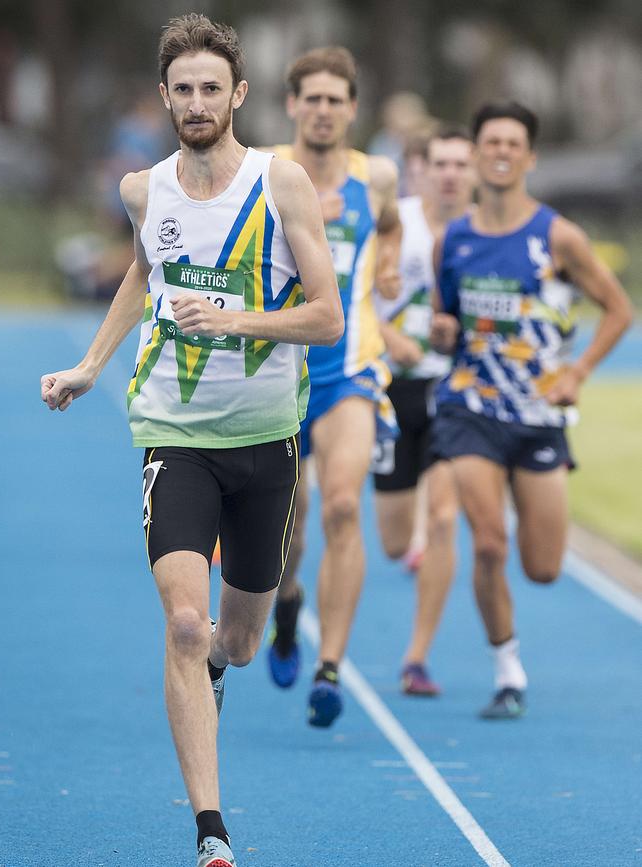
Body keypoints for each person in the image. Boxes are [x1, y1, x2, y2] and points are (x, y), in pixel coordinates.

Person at [41, 15, 343, 867]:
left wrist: (237, 317)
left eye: (213, 88)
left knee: (234, 640)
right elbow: (145, 269)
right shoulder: (145, 189)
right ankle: (211, 831)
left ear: (238, 94)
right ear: (165, 97)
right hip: (173, 430)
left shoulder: (281, 186)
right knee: (182, 621)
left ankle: (224, 657)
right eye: (184, 89)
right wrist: (93, 363)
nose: (198, 102)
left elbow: (327, 316)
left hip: (267, 437)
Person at [430, 101, 633, 720]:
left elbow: (620, 309)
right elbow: (446, 319)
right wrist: (442, 332)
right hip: (470, 408)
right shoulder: (453, 239)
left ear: (528, 157)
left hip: (539, 414)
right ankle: (508, 669)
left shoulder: (557, 236)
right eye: (490, 140)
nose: (500, 151)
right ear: (476, 152)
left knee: (542, 568)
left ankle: (513, 647)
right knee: (488, 543)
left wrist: (577, 372)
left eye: (512, 143)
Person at [264, 47, 402, 727]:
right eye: (310, 98)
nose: (322, 111)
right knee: (287, 533)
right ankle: (287, 604)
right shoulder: (263, 170)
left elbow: (393, 228)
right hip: (276, 371)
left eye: (334, 100)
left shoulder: (376, 177)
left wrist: (389, 272)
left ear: (353, 109)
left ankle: (330, 666)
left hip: (349, 371)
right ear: (292, 105)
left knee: (344, 506)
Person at [372, 127, 475, 696]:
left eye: (462, 164)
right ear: (423, 167)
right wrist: (390, 337)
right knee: (393, 540)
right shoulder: (397, 223)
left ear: (475, 170)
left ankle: (416, 658)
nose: (451, 174)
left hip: (456, 395)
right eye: (441, 163)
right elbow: (354, 292)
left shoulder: (485, 234)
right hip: (395, 389)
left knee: (440, 521)